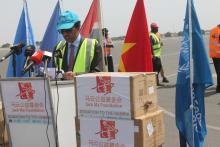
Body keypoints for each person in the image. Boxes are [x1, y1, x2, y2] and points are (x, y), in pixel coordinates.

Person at [53, 11, 104, 80]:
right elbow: (54, 72)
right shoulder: (58, 48)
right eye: (62, 31)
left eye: (68, 30)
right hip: (62, 89)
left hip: (85, 88)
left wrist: (77, 75)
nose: (65, 34)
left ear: (78, 27)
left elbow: (98, 73)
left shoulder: (93, 46)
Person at [209, 24, 220, 93]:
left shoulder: (213, 30)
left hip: (213, 54)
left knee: (218, 71)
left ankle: (218, 87)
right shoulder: (219, 31)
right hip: (218, 54)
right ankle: (218, 88)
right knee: (219, 72)